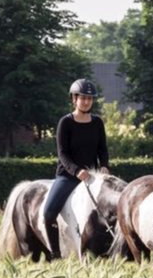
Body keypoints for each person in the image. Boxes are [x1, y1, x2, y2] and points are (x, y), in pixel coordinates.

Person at [40, 78, 110, 259]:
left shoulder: (97, 123)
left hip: (92, 178)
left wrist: (104, 166)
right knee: (48, 213)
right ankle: (55, 254)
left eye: (89, 98)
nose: (86, 101)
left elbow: (103, 149)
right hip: (68, 176)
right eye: (82, 98)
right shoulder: (65, 122)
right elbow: (62, 154)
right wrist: (77, 171)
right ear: (74, 99)